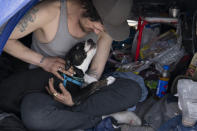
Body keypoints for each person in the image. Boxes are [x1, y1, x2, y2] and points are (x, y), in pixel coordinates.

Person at [1, 0, 144, 130]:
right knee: (36, 118)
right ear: (86, 7)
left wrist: (75, 99)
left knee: (133, 90)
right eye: (95, 26)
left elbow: (94, 72)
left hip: (80, 90)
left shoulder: (105, 28)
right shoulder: (51, 11)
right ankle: (104, 118)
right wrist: (43, 61)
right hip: (44, 90)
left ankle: (68, 117)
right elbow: (3, 37)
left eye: (102, 29)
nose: (96, 32)